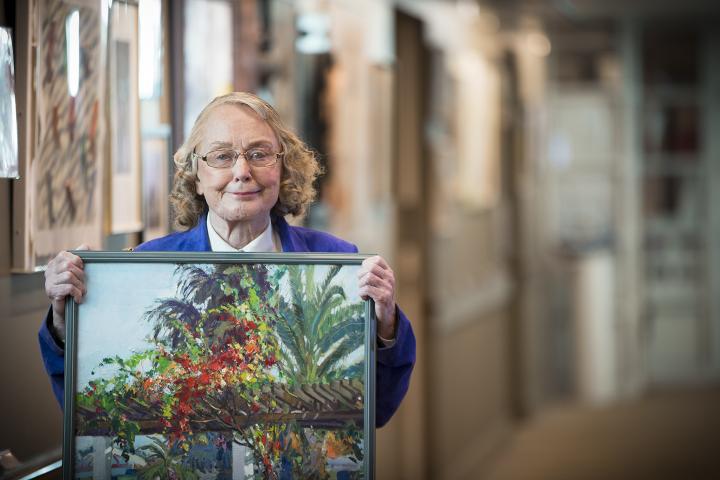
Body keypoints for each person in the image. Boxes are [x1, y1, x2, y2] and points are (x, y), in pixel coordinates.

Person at [39, 92, 415, 427]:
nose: (241, 171)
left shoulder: (339, 264)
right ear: (196, 176)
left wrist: (385, 326)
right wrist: (63, 317)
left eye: (259, 154)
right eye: (221, 156)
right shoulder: (142, 269)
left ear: (283, 166)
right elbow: (91, 408)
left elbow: (374, 411)